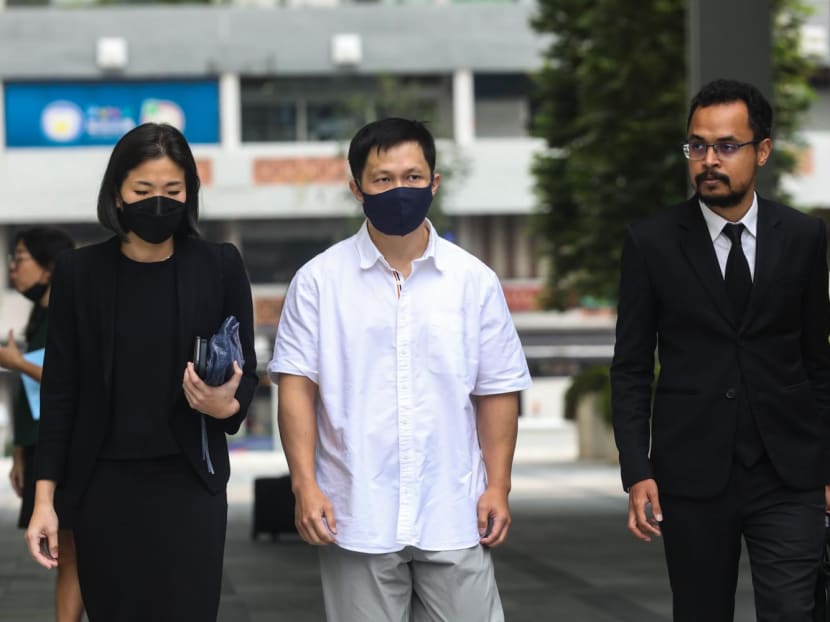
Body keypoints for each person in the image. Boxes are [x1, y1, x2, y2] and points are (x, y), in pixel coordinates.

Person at [268, 117, 531, 622]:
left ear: (434, 183)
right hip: (355, 508)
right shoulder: (318, 282)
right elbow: (297, 389)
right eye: (383, 179)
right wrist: (305, 484)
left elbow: (497, 390)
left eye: (413, 177)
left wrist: (498, 485)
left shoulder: (473, 281)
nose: (400, 189)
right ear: (357, 189)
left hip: (454, 506)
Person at [611, 78, 830, 621]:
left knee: (793, 612)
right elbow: (632, 368)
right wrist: (638, 470)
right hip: (692, 475)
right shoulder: (650, 242)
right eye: (697, 145)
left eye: (727, 146)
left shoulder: (804, 238)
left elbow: (819, 362)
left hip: (789, 473)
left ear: (762, 151)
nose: (709, 160)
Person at [24, 122, 258, 622]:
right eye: (143, 190)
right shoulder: (78, 273)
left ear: (190, 192)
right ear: (117, 193)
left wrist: (226, 404)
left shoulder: (219, 266)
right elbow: (61, 393)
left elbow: (248, 374)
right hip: (104, 489)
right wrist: (46, 500)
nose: (159, 202)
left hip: (190, 487)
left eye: (173, 190)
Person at [3, 227, 83, 622]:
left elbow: (66, 384)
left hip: (63, 449)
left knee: (67, 550)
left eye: (20, 258)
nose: (13, 268)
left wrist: (17, 363)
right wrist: (20, 453)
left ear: (50, 269)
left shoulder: (72, 313)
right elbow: (29, 398)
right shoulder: (41, 314)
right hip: (39, 446)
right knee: (62, 550)